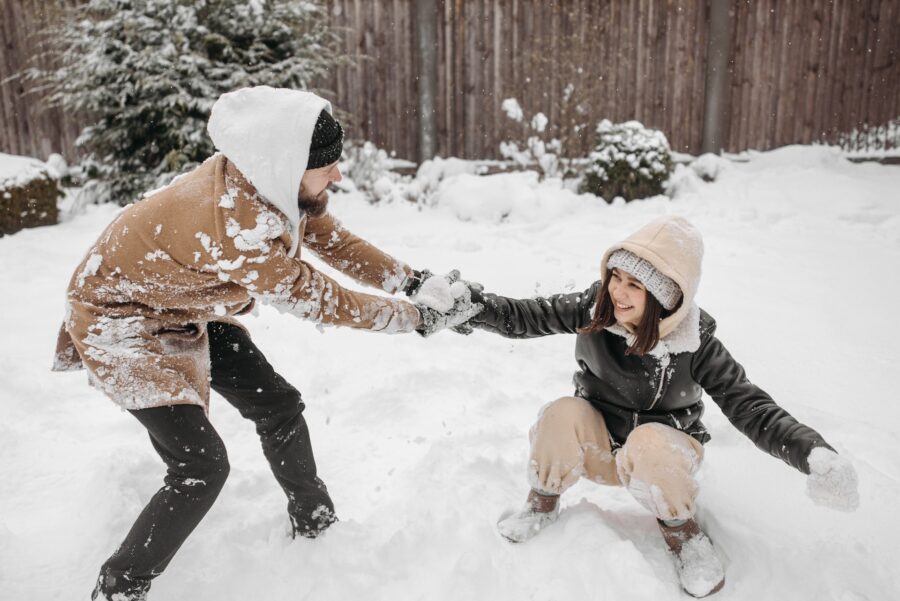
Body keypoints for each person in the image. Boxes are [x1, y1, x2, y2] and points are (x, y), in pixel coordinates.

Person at [52, 86, 479, 601]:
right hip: (118, 319)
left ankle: (315, 521)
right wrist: (416, 318)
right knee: (200, 466)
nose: (338, 176)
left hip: (181, 303)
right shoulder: (237, 225)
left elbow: (332, 241)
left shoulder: (267, 181)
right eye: (327, 167)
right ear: (287, 163)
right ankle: (121, 585)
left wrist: (414, 282)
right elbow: (319, 299)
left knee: (279, 405)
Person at [462, 215, 858, 598]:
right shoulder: (594, 309)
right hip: (601, 448)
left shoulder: (696, 344)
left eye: (634, 284)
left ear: (664, 296)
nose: (617, 291)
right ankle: (541, 502)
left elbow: (752, 407)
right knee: (561, 413)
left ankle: (683, 534)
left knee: (650, 441)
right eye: (616, 276)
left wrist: (813, 453)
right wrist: (469, 307)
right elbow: (524, 315)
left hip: (663, 464)